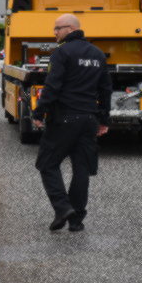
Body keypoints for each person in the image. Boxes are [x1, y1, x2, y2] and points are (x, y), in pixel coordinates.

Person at [33, 13, 111, 232]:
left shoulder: (61, 53)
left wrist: (39, 112)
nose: (54, 33)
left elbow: (52, 86)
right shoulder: (97, 54)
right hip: (88, 120)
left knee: (47, 163)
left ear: (69, 29)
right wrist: (103, 119)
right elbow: (105, 90)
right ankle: (76, 220)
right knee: (81, 169)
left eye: (57, 28)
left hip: (65, 118)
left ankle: (62, 207)